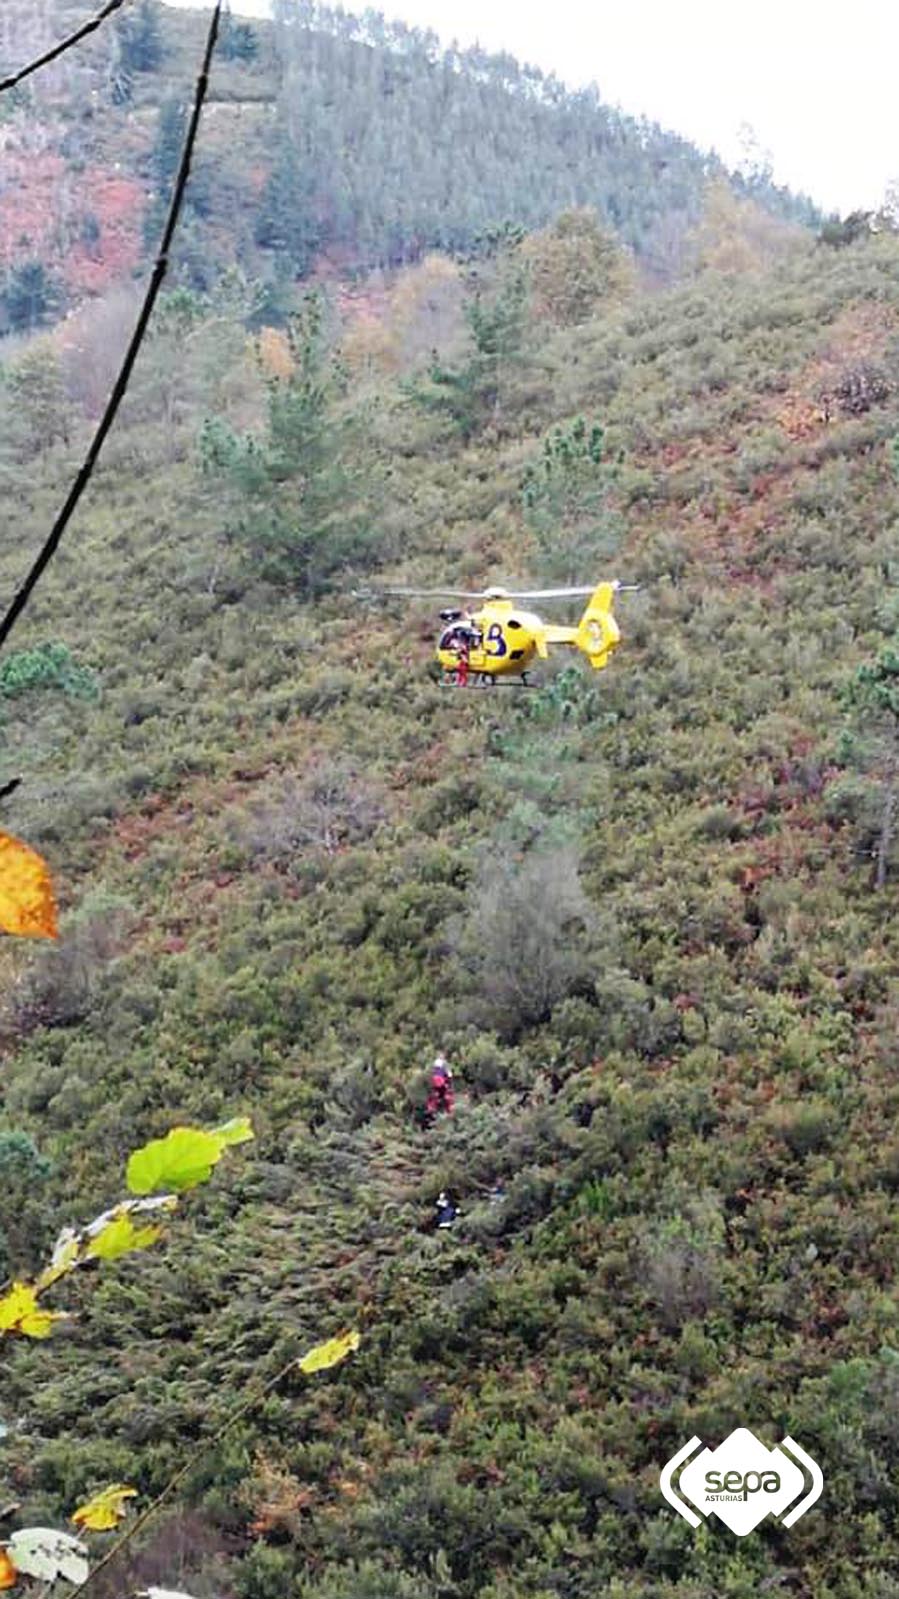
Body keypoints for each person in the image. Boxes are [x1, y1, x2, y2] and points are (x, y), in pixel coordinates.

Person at [426, 1052, 455, 1120]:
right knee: (447, 1093)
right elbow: (449, 1074)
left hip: (435, 1082)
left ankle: (433, 1107)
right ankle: (449, 1110)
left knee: (436, 1094)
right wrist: (449, 1078)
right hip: (441, 1081)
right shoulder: (444, 1064)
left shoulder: (435, 1064)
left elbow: (432, 1073)